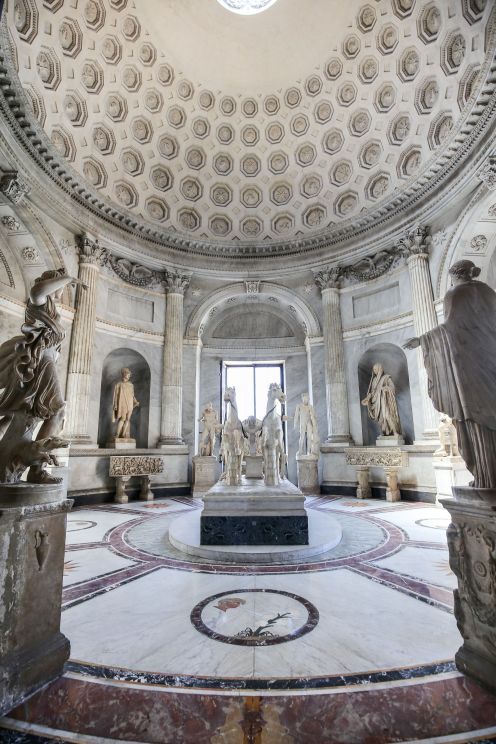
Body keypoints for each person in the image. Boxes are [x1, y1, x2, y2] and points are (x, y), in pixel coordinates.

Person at [404, 259, 496, 489]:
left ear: (455, 275)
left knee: (474, 419)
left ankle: (487, 478)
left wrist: (422, 340)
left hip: (469, 366)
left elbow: (450, 328)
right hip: (490, 362)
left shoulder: (455, 294)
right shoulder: (487, 291)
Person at [0, 268, 87, 483]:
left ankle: (35, 467)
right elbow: (36, 291)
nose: (62, 290)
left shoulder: (51, 309)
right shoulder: (40, 302)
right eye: (60, 286)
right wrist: (67, 278)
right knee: (57, 410)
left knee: (41, 414)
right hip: (40, 361)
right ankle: (37, 470)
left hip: (44, 362)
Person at [361, 363, 402, 437]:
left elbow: (392, 387)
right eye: (373, 369)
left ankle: (395, 432)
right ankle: (384, 432)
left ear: (380, 369)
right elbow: (372, 392)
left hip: (384, 401)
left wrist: (386, 388)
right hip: (377, 402)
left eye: (376, 369)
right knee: (380, 419)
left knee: (387, 415)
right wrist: (367, 398)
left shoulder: (386, 378)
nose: (374, 371)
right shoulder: (374, 380)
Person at [112, 368, 139, 439]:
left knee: (128, 419)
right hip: (122, 403)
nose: (129, 376)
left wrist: (135, 401)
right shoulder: (119, 384)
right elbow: (116, 395)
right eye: (128, 374)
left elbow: (132, 395)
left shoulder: (131, 385)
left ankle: (123, 434)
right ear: (124, 374)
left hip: (130, 403)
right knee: (122, 418)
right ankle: (117, 434)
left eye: (129, 375)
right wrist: (115, 404)